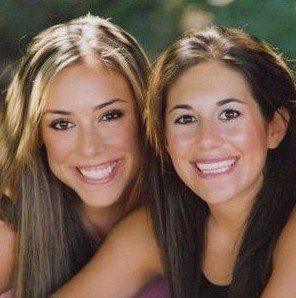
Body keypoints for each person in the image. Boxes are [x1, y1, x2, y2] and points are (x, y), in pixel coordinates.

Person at [52, 26, 296, 298]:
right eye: (186, 119)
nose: (207, 140)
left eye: (229, 114)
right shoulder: (159, 229)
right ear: (164, 141)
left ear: (274, 127)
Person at [0, 14, 151, 297]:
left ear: (145, 115)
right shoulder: (10, 232)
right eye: (62, 124)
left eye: (110, 115)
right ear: (37, 136)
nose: (90, 147)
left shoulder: (189, 213)